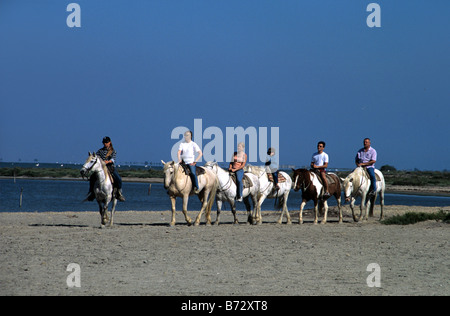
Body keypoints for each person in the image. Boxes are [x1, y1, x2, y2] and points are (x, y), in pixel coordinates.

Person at [87, 136, 125, 202]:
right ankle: (92, 193)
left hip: (110, 167)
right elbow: (96, 157)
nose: (105, 144)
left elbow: (113, 159)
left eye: (106, 142)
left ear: (109, 142)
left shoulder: (113, 151)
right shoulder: (100, 151)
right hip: (101, 167)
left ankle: (119, 193)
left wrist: (108, 161)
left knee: (118, 178)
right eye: (104, 142)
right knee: (92, 178)